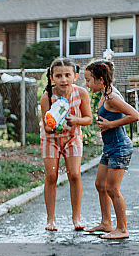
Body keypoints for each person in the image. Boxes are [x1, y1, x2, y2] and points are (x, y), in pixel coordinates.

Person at [83, 58, 138, 239]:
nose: (87, 84)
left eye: (89, 80)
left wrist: (111, 125)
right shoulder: (105, 94)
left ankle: (122, 229)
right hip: (109, 148)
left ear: (101, 80)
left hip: (120, 148)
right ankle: (106, 223)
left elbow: (135, 115)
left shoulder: (113, 97)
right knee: (100, 184)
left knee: (113, 189)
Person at [39, 57, 92, 231]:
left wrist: (75, 120)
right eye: (59, 76)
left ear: (75, 76)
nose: (63, 79)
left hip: (72, 137)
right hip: (51, 140)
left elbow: (88, 119)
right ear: (52, 77)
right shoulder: (47, 97)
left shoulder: (81, 93)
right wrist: (54, 126)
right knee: (51, 177)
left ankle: (76, 218)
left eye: (67, 75)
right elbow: (46, 128)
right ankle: (50, 219)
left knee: (75, 175)